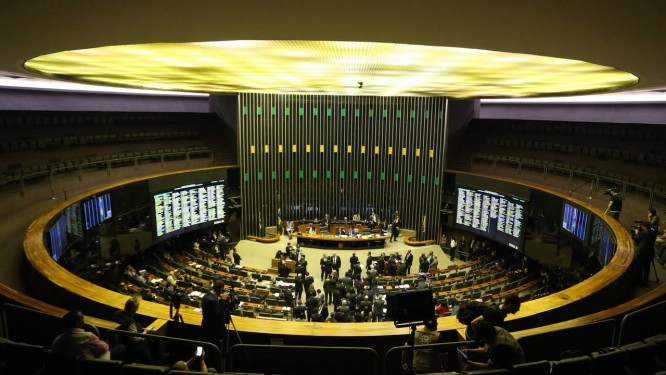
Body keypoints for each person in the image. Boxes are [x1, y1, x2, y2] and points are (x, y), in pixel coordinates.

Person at [51, 310, 125, 360]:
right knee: (121, 347)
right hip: (90, 367)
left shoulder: (59, 339)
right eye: (82, 319)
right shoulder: (89, 337)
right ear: (77, 323)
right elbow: (104, 349)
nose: (83, 321)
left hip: (68, 369)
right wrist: (104, 343)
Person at [459, 321, 526, 370]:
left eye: (482, 338)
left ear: (488, 336)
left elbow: (489, 367)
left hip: (512, 370)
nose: (481, 341)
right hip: (501, 361)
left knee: (469, 368)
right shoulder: (496, 329)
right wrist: (469, 351)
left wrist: (467, 362)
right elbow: (486, 349)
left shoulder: (499, 348)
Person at [113, 297, 156, 364]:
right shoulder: (131, 323)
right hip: (133, 345)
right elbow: (135, 340)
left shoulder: (118, 313)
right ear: (135, 309)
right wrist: (145, 332)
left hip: (122, 339)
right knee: (152, 337)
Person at [200, 280, 231, 349]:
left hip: (206, 326)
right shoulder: (213, 300)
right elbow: (219, 314)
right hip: (212, 331)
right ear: (220, 289)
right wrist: (223, 300)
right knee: (212, 350)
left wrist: (219, 298)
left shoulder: (207, 294)